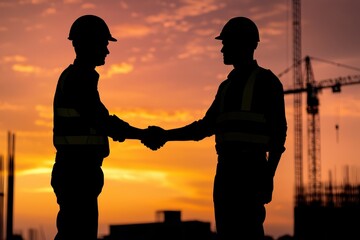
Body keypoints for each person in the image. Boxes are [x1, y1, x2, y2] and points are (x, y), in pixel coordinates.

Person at [142, 16, 287, 240]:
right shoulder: (226, 87)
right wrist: (165, 135)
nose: (222, 49)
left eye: (226, 43)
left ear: (244, 44)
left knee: (248, 235)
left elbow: (279, 135)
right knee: (228, 234)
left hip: (250, 172)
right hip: (226, 172)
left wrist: (269, 175)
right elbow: (203, 128)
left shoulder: (267, 82)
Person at [51, 15, 151, 240]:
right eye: (104, 44)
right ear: (88, 43)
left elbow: (101, 119)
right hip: (77, 172)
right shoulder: (78, 80)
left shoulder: (80, 79)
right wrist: (142, 134)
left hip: (78, 171)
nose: (107, 51)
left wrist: (131, 131)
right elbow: (101, 120)